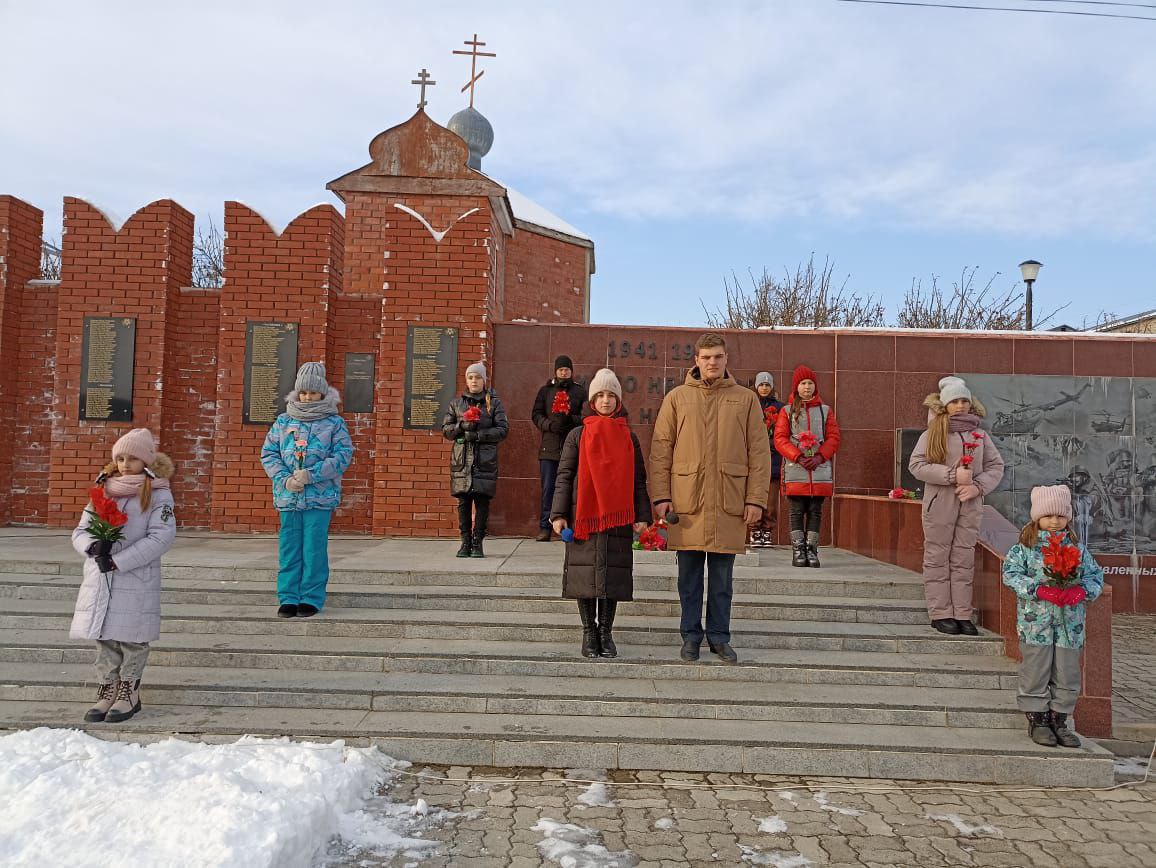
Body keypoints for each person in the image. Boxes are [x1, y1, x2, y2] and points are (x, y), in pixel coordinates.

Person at [650, 333, 770, 665]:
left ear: (726, 359)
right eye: (705, 357)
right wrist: (661, 495)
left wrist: (755, 499)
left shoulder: (745, 400)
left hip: (729, 503)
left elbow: (760, 454)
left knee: (721, 581)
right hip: (687, 503)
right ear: (696, 361)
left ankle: (719, 637)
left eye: (717, 356)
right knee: (688, 580)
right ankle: (690, 636)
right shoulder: (677, 399)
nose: (711, 362)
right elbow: (661, 450)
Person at [70, 428, 177, 724]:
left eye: (132, 458)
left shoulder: (158, 492)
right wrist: (92, 547)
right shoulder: (104, 489)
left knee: (132, 638)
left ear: (145, 461)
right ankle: (108, 688)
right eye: (120, 458)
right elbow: (80, 530)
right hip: (100, 576)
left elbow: (161, 536)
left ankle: (129, 689)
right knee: (104, 637)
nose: (125, 464)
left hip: (134, 577)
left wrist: (119, 561)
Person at [551, 369, 651, 658]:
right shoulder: (577, 435)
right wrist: (558, 514)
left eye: (611, 395)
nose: (606, 401)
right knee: (585, 577)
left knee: (611, 578)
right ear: (592, 400)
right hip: (584, 516)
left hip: (617, 517)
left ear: (618, 400)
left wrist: (641, 515)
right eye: (600, 395)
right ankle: (588, 632)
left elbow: (638, 480)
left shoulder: (628, 437)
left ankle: (606, 632)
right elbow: (564, 475)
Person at [1002, 485, 1104, 747]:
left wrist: (1082, 591)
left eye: (1060, 516)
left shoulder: (1078, 550)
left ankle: (1060, 719)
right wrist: (1037, 589)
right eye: (1048, 516)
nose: (1055, 521)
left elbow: (1095, 576)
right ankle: (1038, 719)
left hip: (1070, 626)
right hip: (1036, 624)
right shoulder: (1025, 548)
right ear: (1037, 518)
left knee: (1067, 672)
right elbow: (1011, 574)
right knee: (1036, 670)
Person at [909, 376, 1004, 635]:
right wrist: (951, 475)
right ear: (945, 405)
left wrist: (977, 486)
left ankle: (962, 613)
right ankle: (940, 613)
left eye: (964, 400)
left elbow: (996, 466)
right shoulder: (933, 433)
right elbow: (916, 465)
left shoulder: (979, 434)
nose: (960, 405)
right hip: (940, 503)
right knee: (938, 557)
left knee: (963, 558)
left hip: (970, 503)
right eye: (955, 401)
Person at [260, 362, 354, 619]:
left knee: (313, 549)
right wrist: (284, 479)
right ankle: (288, 597)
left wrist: (312, 475)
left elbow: (343, 456)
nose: (307, 397)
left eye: (313, 393)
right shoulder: (283, 421)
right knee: (289, 549)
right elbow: (269, 454)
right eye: (303, 393)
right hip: (289, 496)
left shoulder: (334, 423)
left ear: (322, 393)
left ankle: (311, 597)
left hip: (319, 498)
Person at [774, 365, 841, 569]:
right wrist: (798, 456)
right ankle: (798, 550)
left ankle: (812, 550)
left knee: (815, 510)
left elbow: (834, 437)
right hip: (796, 469)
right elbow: (780, 439)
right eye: (803, 383)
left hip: (818, 470)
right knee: (796, 511)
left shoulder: (825, 410)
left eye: (810, 383)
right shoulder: (786, 411)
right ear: (796, 386)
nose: (807, 387)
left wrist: (820, 456)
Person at [442, 361, 509, 558]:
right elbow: (446, 430)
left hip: (484, 462)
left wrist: (479, 435)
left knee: (481, 503)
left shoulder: (493, 403)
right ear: (466, 380)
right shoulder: (456, 404)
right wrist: (461, 426)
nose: (474, 381)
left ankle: (477, 543)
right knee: (463, 502)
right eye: (470, 377)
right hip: (462, 461)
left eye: (478, 377)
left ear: (484, 380)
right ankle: (464, 543)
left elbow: (503, 430)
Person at [531, 355, 587, 541]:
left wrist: (571, 420)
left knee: (572, 488)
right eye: (561, 369)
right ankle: (545, 527)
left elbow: (586, 415)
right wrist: (549, 425)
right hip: (549, 447)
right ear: (556, 371)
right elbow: (536, 414)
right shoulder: (545, 391)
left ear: (572, 371)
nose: (564, 372)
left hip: (573, 448)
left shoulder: (579, 392)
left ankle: (570, 527)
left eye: (567, 370)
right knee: (548, 489)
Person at [751, 372, 784, 547]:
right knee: (754, 497)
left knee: (771, 502)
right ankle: (755, 530)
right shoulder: (750, 403)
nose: (764, 388)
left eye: (767, 385)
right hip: (754, 460)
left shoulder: (781, 407)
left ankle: (767, 531)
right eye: (761, 385)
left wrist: (770, 443)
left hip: (774, 460)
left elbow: (783, 432)